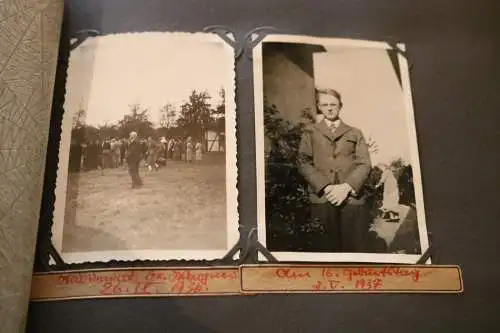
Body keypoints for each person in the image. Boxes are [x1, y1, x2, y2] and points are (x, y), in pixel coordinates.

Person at [298, 88, 372, 252]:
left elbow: (364, 163)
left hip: (352, 199)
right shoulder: (310, 131)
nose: (329, 108)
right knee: (324, 250)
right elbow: (303, 162)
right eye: (325, 105)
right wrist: (327, 187)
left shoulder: (355, 132)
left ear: (340, 106)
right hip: (323, 198)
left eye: (333, 104)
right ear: (319, 107)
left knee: (354, 249)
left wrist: (346, 187)